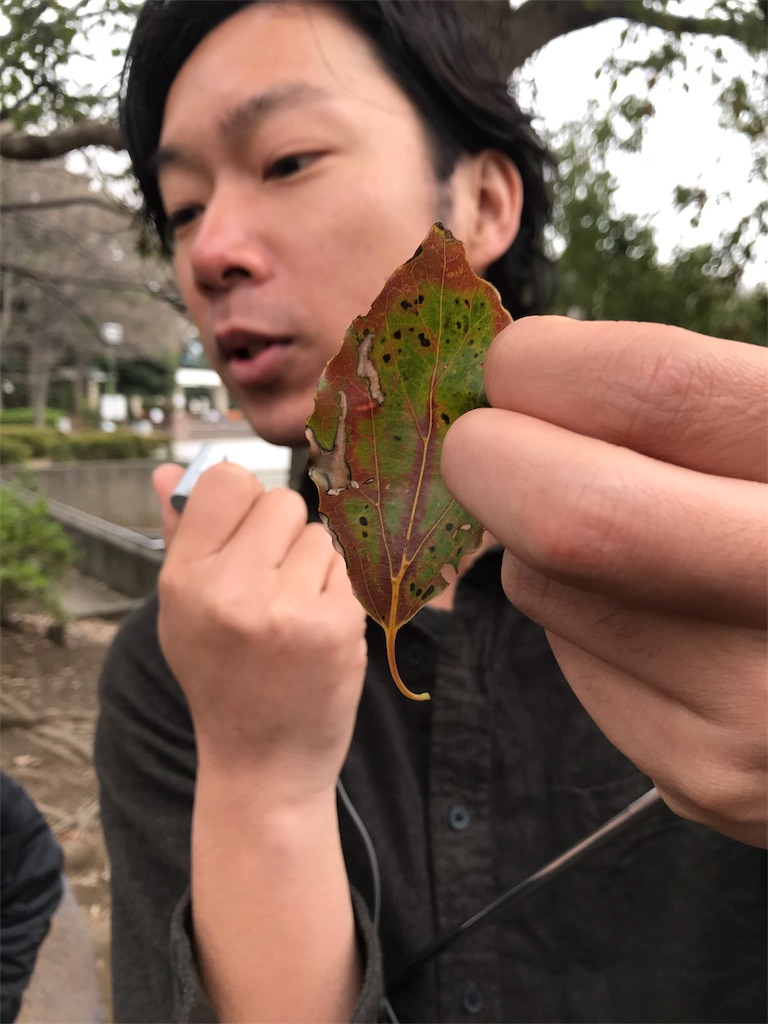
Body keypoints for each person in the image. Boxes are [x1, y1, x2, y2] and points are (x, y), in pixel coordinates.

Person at [95, 2, 767, 1022]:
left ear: (486, 203)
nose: (209, 250)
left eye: (284, 161)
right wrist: (258, 777)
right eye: (181, 209)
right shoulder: (177, 672)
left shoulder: (720, 580)